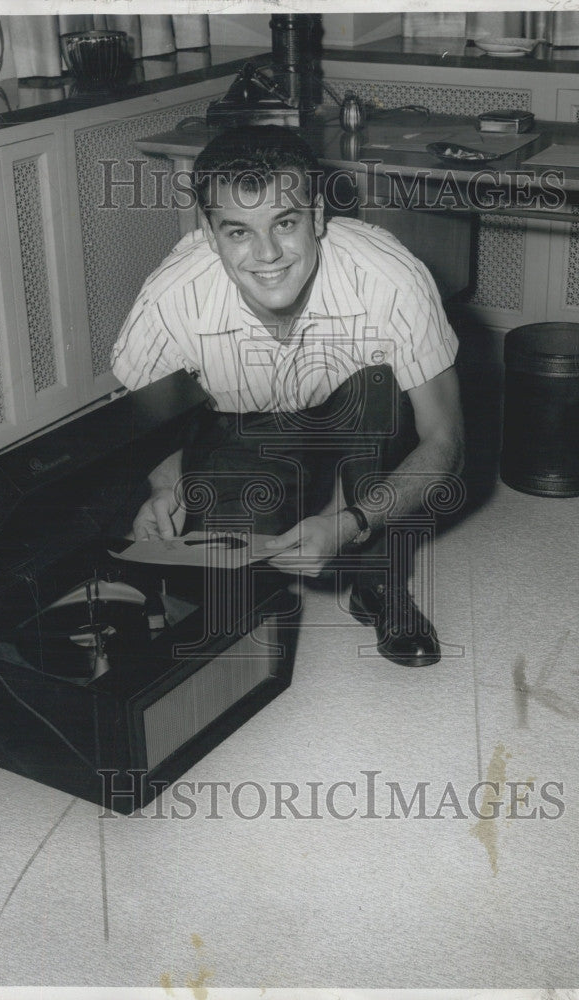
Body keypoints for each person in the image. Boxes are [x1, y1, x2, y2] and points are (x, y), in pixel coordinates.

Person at [111, 125, 464, 667]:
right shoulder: (168, 302)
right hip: (242, 428)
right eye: (238, 232)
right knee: (228, 590)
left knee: (384, 392)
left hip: (359, 413)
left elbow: (444, 440)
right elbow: (153, 423)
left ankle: (377, 584)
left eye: (285, 222)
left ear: (318, 217)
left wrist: (350, 525)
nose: (268, 254)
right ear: (209, 233)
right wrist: (165, 486)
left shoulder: (390, 278)